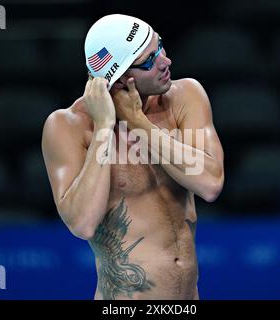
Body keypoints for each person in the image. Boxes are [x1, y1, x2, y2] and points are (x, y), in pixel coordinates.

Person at [41, 14, 224, 300]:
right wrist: (104, 127)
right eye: (149, 61)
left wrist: (137, 123)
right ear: (120, 78)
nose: (166, 62)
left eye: (160, 46)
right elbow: (82, 223)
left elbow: (210, 183)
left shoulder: (185, 96)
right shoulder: (69, 126)